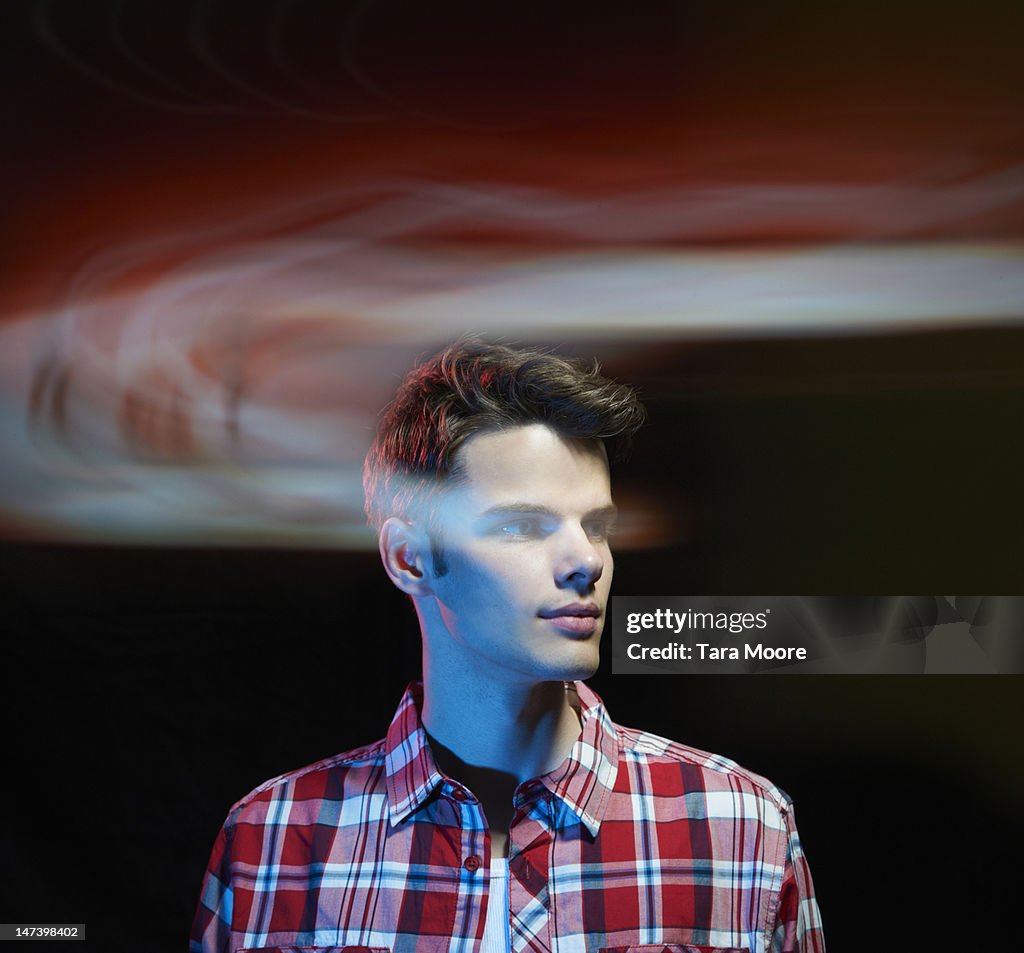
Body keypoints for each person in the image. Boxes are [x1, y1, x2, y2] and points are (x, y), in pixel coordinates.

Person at [190, 340, 826, 953]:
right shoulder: (273, 839)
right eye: (523, 525)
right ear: (410, 557)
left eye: (597, 526)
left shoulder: (740, 827)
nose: (586, 561)